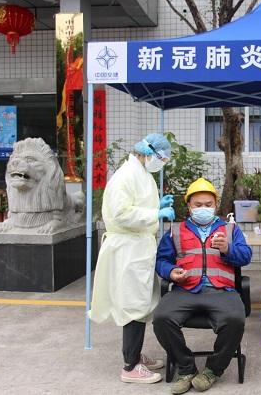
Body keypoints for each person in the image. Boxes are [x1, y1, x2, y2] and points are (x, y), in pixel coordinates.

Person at [89, 133, 175, 384]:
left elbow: (137, 205)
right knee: (133, 305)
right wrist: (155, 213)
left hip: (138, 247)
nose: (162, 162)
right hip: (128, 249)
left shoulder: (141, 173)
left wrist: (157, 206)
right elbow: (121, 213)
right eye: (162, 158)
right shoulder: (126, 175)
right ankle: (130, 366)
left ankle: (136, 356)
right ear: (149, 153)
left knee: (142, 303)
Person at [153, 178, 252, 394]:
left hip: (222, 291)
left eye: (208, 204)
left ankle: (212, 370)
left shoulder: (230, 229)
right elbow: (161, 261)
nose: (203, 209)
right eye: (198, 205)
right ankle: (186, 368)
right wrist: (171, 272)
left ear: (215, 205)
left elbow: (246, 256)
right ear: (189, 206)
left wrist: (228, 249)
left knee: (235, 320)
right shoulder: (175, 231)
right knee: (161, 318)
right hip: (185, 289)